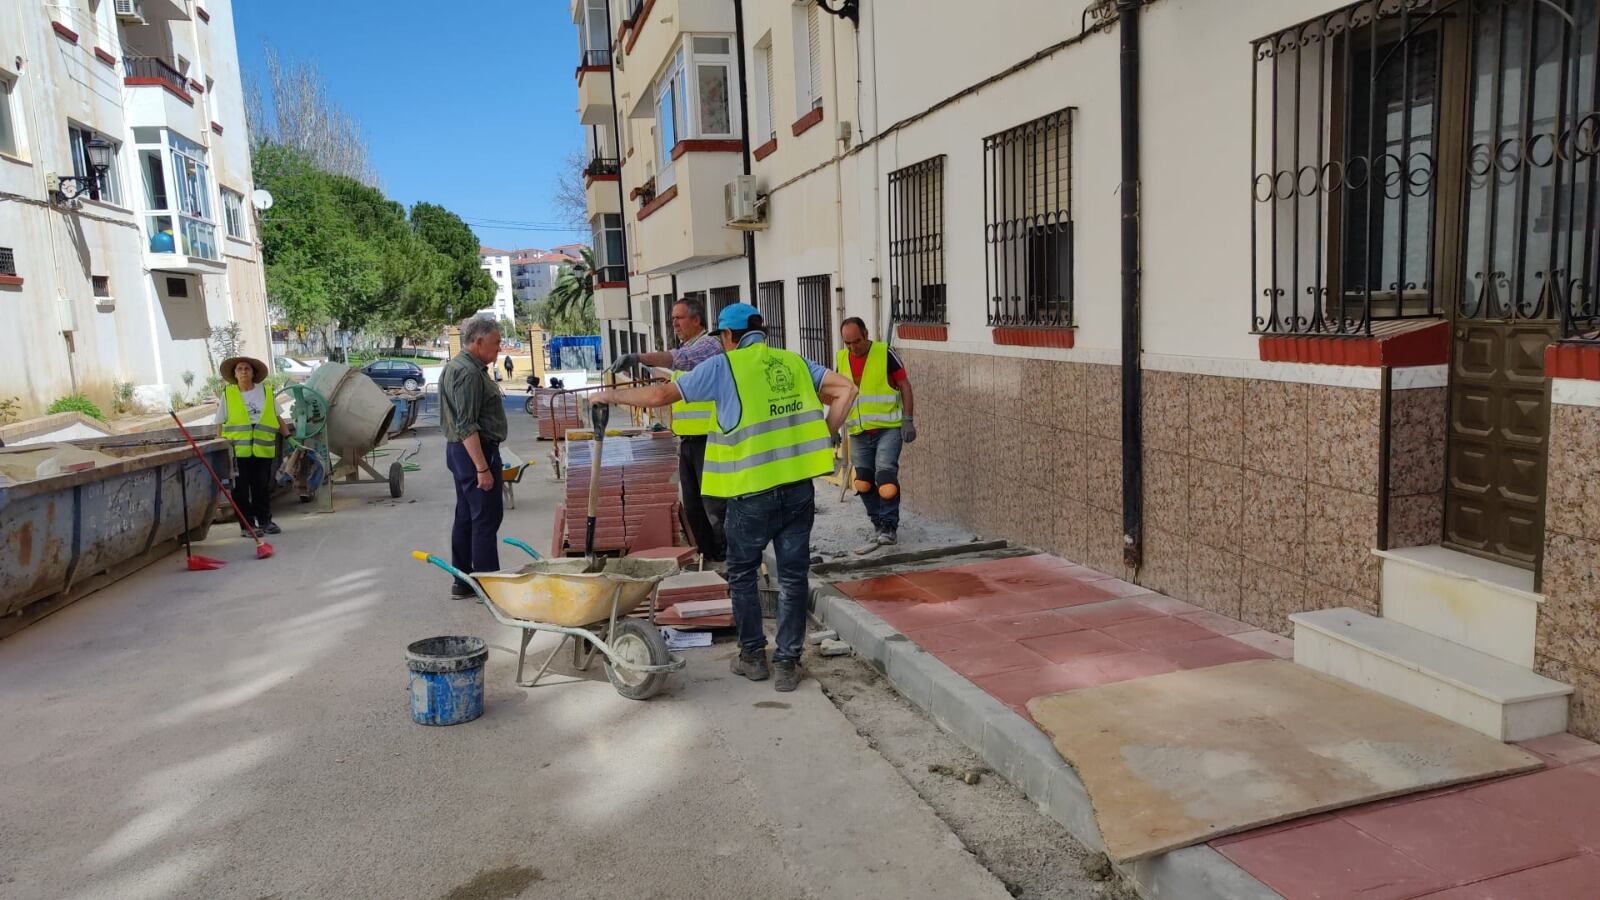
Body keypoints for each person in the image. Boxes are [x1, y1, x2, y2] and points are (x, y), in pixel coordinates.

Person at [593, 303, 857, 692]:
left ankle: (753, 657)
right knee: (793, 577)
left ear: (729, 337)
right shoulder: (793, 362)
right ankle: (786, 663)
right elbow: (847, 389)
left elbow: (665, 393)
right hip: (799, 491)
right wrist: (825, 433)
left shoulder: (724, 366)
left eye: (722, 339)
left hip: (752, 494)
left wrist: (611, 398)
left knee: (743, 573)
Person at [610, 297, 726, 564]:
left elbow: (682, 360)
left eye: (679, 318)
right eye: (672, 318)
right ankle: (707, 555)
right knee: (694, 505)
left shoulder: (709, 346)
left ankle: (726, 555)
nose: (674, 323)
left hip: (709, 439)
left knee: (714, 504)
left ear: (697, 320)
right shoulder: (688, 349)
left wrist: (638, 357)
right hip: (688, 441)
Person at [439, 316, 509, 598]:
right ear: (478, 342)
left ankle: (463, 579)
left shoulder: (462, 366)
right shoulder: (467, 373)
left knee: (467, 515)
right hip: (474, 451)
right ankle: (487, 585)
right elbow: (467, 424)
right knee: (485, 518)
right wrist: (482, 467)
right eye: (496, 343)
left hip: (461, 452)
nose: (499, 348)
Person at [837, 318, 916, 552]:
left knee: (886, 481)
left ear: (866, 334)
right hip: (859, 431)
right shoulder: (841, 359)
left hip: (888, 428)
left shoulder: (884, 353)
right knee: (862, 482)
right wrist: (833, 428)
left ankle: (890, 527)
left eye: (857, 341)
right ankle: (878, 523)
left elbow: (904, 385)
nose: (853, 347)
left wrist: (908, 420)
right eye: (847, 343)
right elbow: (837, 394)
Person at [214, 355, 291, 536]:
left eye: (246, 369)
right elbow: (220, 422)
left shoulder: (265, 392)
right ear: (234, 374)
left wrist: (288, 436)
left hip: (262, 449)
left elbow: (277, 417)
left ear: (253, 373)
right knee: (240, 490)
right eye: (239, 369)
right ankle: (247, 526)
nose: (243, 372)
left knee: (261, 487)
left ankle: (265, 521)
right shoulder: (229, 394)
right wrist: (219, 445)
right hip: (238, 451)